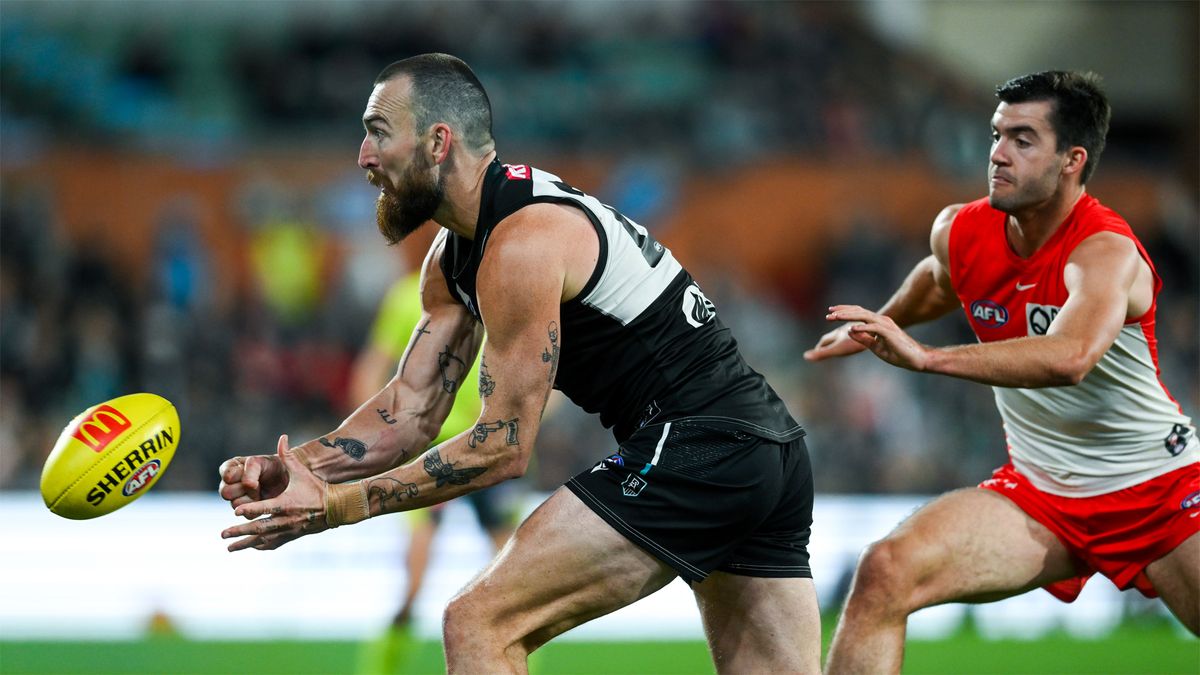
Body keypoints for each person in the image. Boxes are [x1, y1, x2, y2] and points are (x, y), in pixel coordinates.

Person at [218, 53, 818, 672]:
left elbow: (501, 448)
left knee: (478, 622)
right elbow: (411, 408)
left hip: (697, 446)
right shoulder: (458, 256)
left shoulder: (520, 243)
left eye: (376, 132)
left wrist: (340, 507)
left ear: (437, 142)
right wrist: (296, 467)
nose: (363, 158)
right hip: (764, 447)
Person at [804, 71, 1198, 672]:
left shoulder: (1104, 250)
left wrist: (927, 356)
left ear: (1072, 159)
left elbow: (1070, 357)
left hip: (1157, 490)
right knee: (885, 571)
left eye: (1022, 139)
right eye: (996, 135)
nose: (997, 154)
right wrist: (874, 326)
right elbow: (939, 282)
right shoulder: (962, 229)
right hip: (1042, 495)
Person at [348, 270, 516, 674]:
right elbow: (371, 368)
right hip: (432, 451)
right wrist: (375, 433)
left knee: (515, 580)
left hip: (490, 446)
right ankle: (381, 669)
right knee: (416, 580)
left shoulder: (502, 289)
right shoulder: (411, 295)